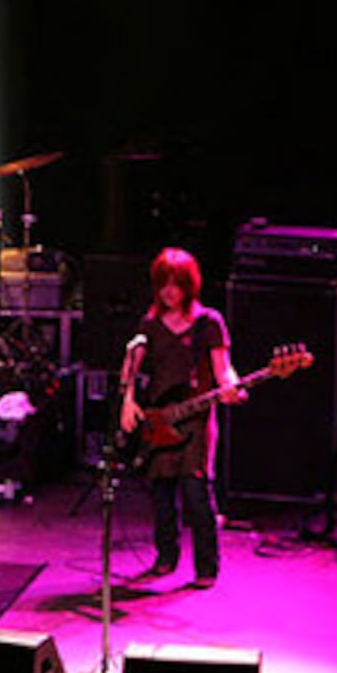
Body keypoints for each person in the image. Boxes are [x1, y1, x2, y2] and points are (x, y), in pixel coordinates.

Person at [117, 247, 244, 590]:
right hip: (161, 419)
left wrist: (231, 386)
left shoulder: (209, 322)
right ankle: (165, 558)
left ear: (189, 285)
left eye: (175, 284)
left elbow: (223, 368)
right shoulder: (149, 325)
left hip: (197, 419)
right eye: (163, 285)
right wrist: (128, 403)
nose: (169, 292)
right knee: (161, 495)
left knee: (196, 492)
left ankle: (206, 567)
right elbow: (131, 368)